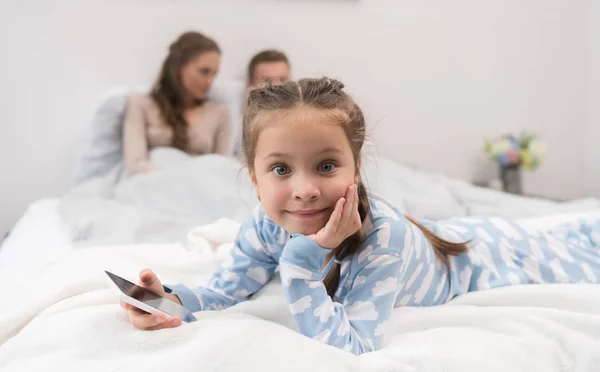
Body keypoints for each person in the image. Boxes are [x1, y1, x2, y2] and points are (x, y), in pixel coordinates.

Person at [122, 78, 600, 355]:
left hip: (484, 255)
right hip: (458, 239)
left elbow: (348, 348)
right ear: (254, 180)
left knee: (583, 244)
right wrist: (169, 301)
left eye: (326, 166)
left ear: (356, 167)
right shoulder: (266, 224)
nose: (305, 190)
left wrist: (302, 264)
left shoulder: (381, 238)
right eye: (281, 169)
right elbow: (225, 290)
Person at [122, 31, 231, 176]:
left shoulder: (219, 113)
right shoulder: (141, 104)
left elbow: (221, 169)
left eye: (214, 74)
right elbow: (135, 164)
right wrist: (175, 181)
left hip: (200, 187)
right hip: (152, 183)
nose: (210, 82)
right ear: (179, 68)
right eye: (204, 72)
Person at [231, 49, 291, 159]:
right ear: (250, 86)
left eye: (282, 80)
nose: (276, 87)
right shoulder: (236, 126)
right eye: (267, 81)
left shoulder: (304, 122)